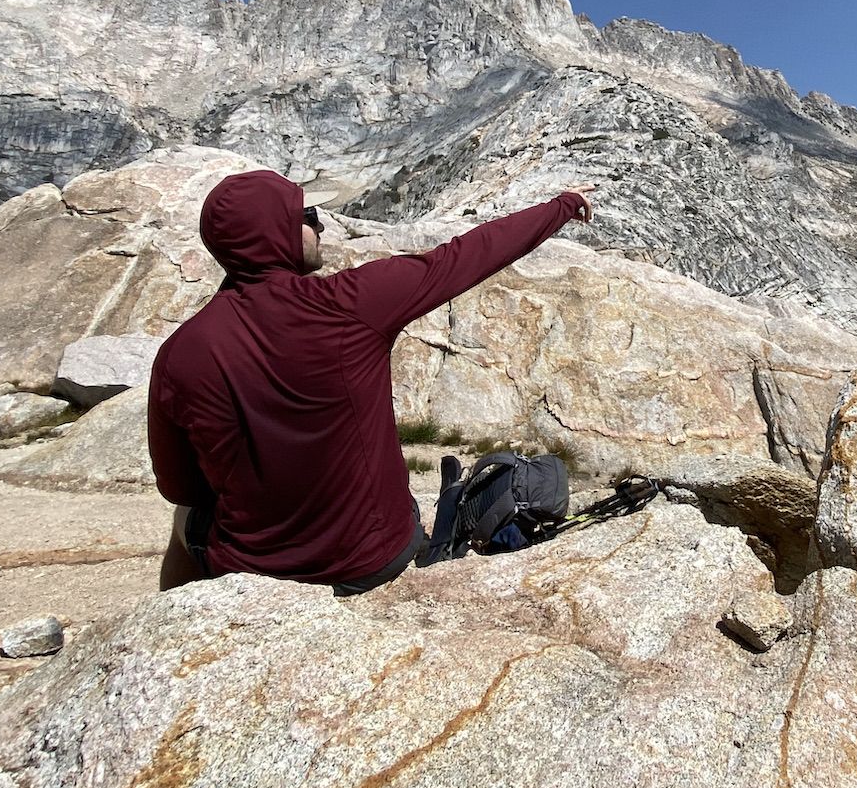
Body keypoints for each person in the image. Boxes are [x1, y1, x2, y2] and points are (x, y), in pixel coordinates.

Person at [148, 172, 595, 596]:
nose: (319, 225)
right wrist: (564, 205)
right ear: (275, 235)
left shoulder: (180, 353)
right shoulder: (352, 303)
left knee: (182, 520)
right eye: (305, 218)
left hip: (252, 569)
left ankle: (174, 625)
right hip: (373, 560)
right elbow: (470, 254)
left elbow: (180, 488)